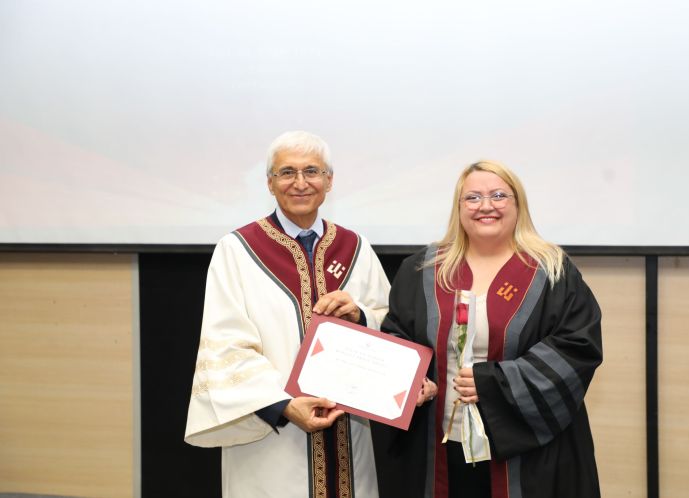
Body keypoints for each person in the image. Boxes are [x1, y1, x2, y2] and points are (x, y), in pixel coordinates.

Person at [371, 160, 603, 498]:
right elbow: (397, 334)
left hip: (527, 453)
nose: (485, 206)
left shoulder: (552, 271)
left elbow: (577, 348)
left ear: (518, 204)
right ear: (459, 208)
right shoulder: (423, 269)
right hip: (439, 444)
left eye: (498, 195)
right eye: (473, 198)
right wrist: (411, 377)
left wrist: (494, 383)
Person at [185, 131, 390, 498]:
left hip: (349, 436)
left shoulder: (356, 247)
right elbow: (224, 344)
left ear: (329, 181)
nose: (300, 183)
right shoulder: (237, 250)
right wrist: (283, 405)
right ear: (269, 182)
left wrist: (360, 316)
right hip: (273, 440)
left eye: (311, 171)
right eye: (286, 172)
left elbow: (390, 322)